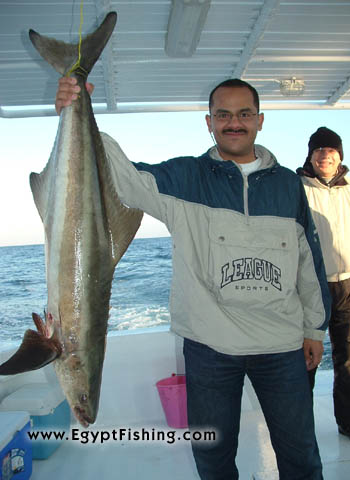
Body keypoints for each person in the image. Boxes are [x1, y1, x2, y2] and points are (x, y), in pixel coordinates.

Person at [56, 77, 331, 479]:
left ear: (260, 120)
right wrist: (79, 111)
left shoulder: (289, 185)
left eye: (243, 114)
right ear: (208, 122)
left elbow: (309, 261)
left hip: (282, 346)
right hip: (210, 347)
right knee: (213, 459)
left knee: (301, 456)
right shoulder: (185, 177)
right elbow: (123, 179)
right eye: (223, 115)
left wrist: (315, 329)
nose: (233, 123)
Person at [297, 127, 350, 444]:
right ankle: (301, 428)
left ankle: (348, 423)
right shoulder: (296, 188)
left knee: (349, 360)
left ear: (340, 156)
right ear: (310, 155)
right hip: (309, 288)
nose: (325, 155)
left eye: (331, 150)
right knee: (306, 360)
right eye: (319, 150)